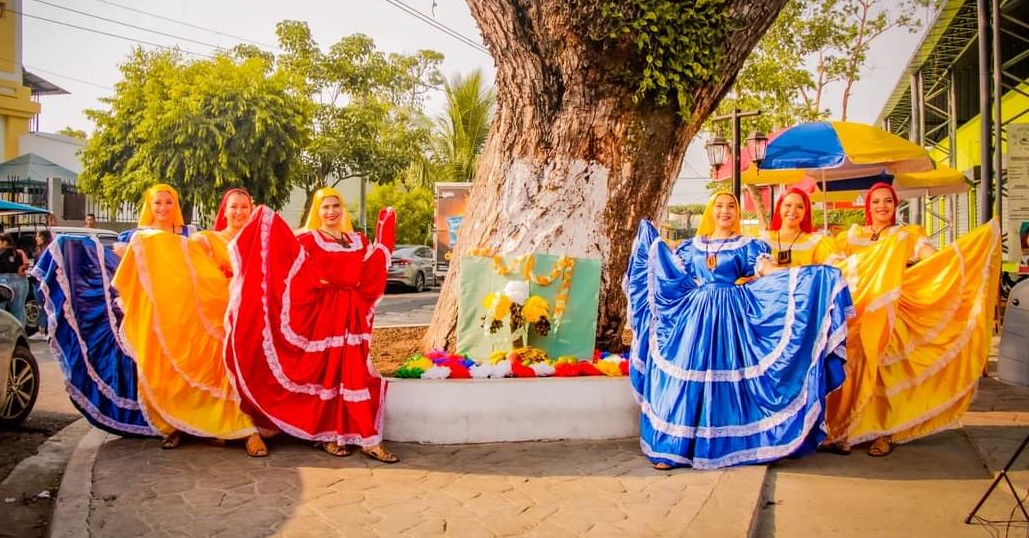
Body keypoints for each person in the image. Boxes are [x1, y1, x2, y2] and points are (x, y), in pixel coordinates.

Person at [623, 192, 853, 470]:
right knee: (688, 381)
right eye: (719, 206)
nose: (725, 211)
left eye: (731, 206)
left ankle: (735, 444)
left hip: (733, 316)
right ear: (710, 211)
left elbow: (767, 269)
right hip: (694, 319)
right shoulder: (690, 247)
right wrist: (652, 243)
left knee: (732, 381)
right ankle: (674, 448)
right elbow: (671, 272)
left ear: (737, 212)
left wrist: (804, 276)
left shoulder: (748, 246)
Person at [824, 182, 1000, 457]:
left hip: (893, 311)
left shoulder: (906, 235)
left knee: (885, 374)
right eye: (876, 202)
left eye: (888, 202)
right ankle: (848, 428)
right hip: (859, 311)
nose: (882, 206)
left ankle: (885, 434)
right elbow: (834, 265)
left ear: (895, 206)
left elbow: (930, 259)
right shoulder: (851, 236)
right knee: (855, 370)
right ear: (867, 207)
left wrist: (957, 260)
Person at [224, 187, 400, 462]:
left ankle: (366, 439)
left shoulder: (357, 241)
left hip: (350, 316)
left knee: (351, 373)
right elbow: (287, 266)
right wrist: (263, 222)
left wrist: (385, 235)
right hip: (323, 317)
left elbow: (371, 271)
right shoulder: (308, 240)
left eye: (335, 206)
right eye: (325, 207)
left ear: (343, 210)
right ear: (316, 211)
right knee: (326, 375)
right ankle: (327, 435)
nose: (331, 212)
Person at [112, 187, 267, 456]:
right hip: (198, 313)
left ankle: (246, 427)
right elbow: (178, 261)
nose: (239, 212)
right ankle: (184, 425)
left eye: (245, 206)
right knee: (195, 369)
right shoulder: (204, 239)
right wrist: (134, 250)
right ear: (225, 211)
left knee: (241, 371)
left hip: (246, 314)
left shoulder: (256, 241)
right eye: (234, 207)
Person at [757, 187, 838, 267]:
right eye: (788, 205)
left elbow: (830, 273)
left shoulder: (816, 242)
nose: (793, 211)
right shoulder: (763, 240)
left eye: (800, 207)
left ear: (805, 212)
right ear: (779, 208)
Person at [0, 233, 30, 326]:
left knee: (2, 310)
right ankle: (20, 330)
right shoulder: (19, 252)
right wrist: (21, 268)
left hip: (3, 281)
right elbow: (26, 264)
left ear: (5, 242)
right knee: (18, 309)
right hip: (19, 280)